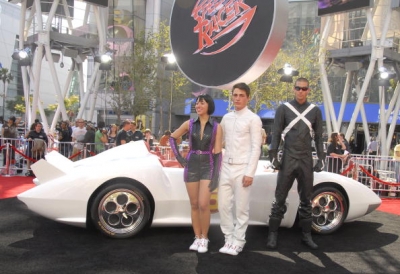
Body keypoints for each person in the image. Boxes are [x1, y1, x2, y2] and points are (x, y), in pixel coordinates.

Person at [267, 77, 325, 250]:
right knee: (279, 199)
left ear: (308, 90)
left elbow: (319, 136)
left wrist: (321, 158)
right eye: (298, 88)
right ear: (293, 89)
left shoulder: (315, 111)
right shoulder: (284, 109)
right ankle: (272, 234)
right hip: (288, 158)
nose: (301, 91)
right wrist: (273, 156)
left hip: (306, 159)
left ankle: (306, 236)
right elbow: (275, 134)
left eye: (304, 89)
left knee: (307, 199)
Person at [169, 94, 222, 253]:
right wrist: (179, 158)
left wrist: (216, 176)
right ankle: (197, 237)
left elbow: (218, 153)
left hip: (208, 165)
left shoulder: (217, 127)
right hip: (191, 165)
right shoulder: (189, 123)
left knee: (204, 204)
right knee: (194, 204)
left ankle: (204, 238)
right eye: (197, 103)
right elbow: (172, 138)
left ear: (209, 106)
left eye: (201, 103)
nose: (198, 106)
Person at [218, 82, 262, 256]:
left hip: (243, 167)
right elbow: (219, 142)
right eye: (235, 95)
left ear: (248, 98)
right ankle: (228, 238)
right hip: (226, 167)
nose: (237, 98)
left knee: (241, 208)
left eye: (241, 95)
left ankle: (239, 240)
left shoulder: (253, 119)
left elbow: (255, 147)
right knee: (223, 205)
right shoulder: (226, 118)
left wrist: (250, 172)